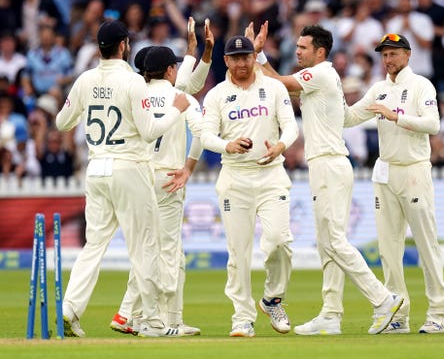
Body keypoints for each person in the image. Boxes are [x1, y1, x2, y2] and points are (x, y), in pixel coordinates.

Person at [252, 22, 403, 335]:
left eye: (303, 47)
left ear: (319, 51)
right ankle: (331, 314)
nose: (297, 51)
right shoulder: (327, 76)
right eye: (297, 46)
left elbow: (279, 84)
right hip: (330, 165)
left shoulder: (319, 73)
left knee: (333, 240)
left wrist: (259, 56)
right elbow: (345, 116)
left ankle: (382, 299)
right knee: (327, 243)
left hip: (328, 165)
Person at [56, 20, 190, 338]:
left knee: (95, 244)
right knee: (144, 246)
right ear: (124, 46)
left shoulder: (85, 80)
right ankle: (153, 322)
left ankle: (70, 309)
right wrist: (176, 110)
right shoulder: (133, 82)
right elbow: (149, 131)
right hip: (129, 167)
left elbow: (62, 122)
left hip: (97, 168)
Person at [110, 18, 213, 336]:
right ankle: (165, 322)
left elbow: (187, 82)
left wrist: (198, 52)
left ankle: (130, 314)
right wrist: (191, 166)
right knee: (169, 253)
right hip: (167, 179)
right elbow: (197, 116)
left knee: (146, 250)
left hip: (138, 176)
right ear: (169, 70)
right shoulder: (178, 97)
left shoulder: (137, 94)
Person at [343, 33, 444, 334]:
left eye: (393, 54)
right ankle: (398, 313)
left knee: (426, 244)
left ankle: (438, 313)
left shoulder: (421, 85)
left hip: (414, 170)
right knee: (389, 248)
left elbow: (433, 124)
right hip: (386, 173)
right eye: (384, 55)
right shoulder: (378, 89)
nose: (388, 60)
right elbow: (349, 118)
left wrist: (396, 117)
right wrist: (328, 96)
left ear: (407, 54)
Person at [199, 35, 298, 338]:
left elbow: (291, 125)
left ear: (254, 57)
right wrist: (227, 145)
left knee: (280, 240)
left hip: (271, 176)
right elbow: (205, 136)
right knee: (238, 253)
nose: (242, 63)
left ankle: (272, 299)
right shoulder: (216, 95)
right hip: (235, 178)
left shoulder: (274, 87)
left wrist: (281, 145)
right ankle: (242, 317)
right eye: (235, 58)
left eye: (246, 57)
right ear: (226, 61)